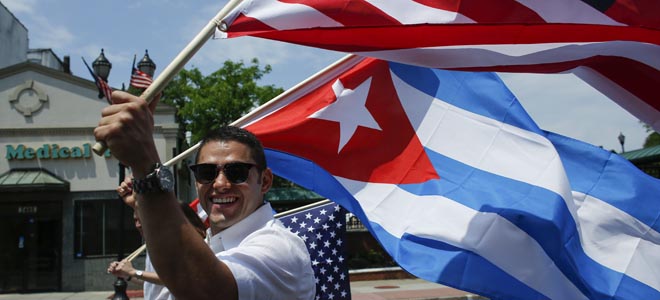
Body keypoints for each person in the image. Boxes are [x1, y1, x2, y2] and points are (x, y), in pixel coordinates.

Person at [95, 91, 315, 299]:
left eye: (236, 172)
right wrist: (142, 205)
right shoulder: (209, 243)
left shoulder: (279, 247)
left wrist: (145, 165)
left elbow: (206, 291)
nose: (220, 184)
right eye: (206, 172)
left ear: (265, 181)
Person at [108, 178, 207, 300]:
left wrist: (134, 272)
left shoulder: (181, 245)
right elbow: (152, 284)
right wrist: (126, 274)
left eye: (142, 220)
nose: (138, 225)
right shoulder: (154, 244)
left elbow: (175, 279)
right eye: (135, 220)